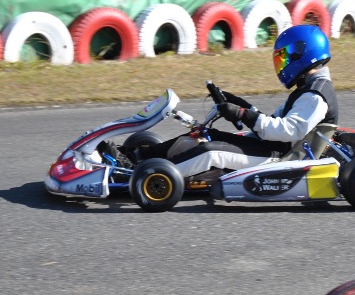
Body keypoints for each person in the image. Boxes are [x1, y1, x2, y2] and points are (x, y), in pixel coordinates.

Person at [135, 24, 339, 179]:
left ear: (302, 53)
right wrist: (241, 105)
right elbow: (272, 122)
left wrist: (242, 114)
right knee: (208, 135)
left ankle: (148, 175)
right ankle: (140, 156)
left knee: (210, 151)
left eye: (284, 58)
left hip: (281, 158)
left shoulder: (316, 95)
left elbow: (287, 131)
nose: (281, 64)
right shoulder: (307, 89)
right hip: (271, 146)